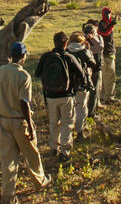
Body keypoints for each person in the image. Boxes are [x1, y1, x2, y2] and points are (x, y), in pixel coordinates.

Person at [0, 42, 51, 204]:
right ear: (23, 56)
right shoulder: (23, 76)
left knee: (8, 161)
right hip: (19, 121)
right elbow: (24, 102)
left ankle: (8, 195)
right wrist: (31, 125)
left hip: (3, 119)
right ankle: (40, 181)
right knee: (31, 154)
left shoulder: (0, 71)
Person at [35, 31, 86, 162]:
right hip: (67, 95)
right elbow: (82, 74)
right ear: (66, 43)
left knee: (53, 122)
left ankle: (54, 147)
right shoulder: (68, 57)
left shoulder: (46, 57)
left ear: (54, 42)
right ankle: (65, 150)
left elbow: (37, 73)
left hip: (50, 96)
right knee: (67, 123)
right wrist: (74, 85)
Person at [66, 31, 96, 140]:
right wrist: (88, 50)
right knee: (82, 107)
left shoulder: (66, 51)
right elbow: (93, 64)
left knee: (70, 108)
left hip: (69, 84)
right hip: (82, 83)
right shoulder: (85, 52)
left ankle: (68, 131)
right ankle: (80, 131)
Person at [98, 7, 118, 104]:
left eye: (109, 13)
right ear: (103, 14)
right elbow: (105, 33)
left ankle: (103, 97)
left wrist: (111, 24)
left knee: (106, 76)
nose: (108, 15)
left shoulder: (106, 24)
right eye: (107, 13)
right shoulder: (101, 24)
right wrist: (112, 24)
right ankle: (108, 98)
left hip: (109, 52)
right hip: (106, 53)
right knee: (109, 76)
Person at [83, 22, 104, 116]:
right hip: (90, 70)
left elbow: (100, 47)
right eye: (94, 32)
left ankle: (91, 110)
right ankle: (90, 113)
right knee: (92, 92)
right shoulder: (84, 42)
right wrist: (90, 39)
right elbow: (99, 48)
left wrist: (92, 39)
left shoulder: (98, 38)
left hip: (96, 68)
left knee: (95, 91)